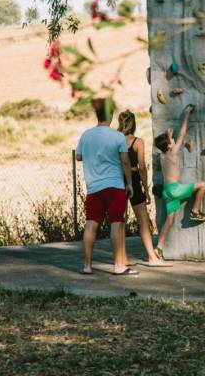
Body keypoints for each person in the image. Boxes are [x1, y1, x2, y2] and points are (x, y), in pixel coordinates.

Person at [76, 98, 138, 276]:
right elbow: (125, 161)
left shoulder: (86, 135)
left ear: (97, 114)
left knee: (90, 224)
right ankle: (119, 266)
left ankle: (87, 266)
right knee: (116, 224)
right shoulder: (117, 136)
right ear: (111, 115)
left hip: (93, 186)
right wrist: (129, 184)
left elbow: (78, 157)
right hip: (114, 186)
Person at [153, 104, 205, 260]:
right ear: (170, 146)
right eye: (171, 141)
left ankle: (159, 247)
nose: (173, 142)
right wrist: (186, 114)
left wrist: (169, 137)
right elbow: (183, 134)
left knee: (170, 220)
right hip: (175, 189)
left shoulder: (164, 156)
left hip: (167, 191)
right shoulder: (173, 153)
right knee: (202, 185)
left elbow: (169, 143)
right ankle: (195, 211)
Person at [117, 111, 170, 267]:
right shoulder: (138, 142)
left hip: (117, 180)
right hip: (132, 180)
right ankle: (152, 258)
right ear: (134, 123)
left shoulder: (115, 140)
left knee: (120, 221)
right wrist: (146, 189)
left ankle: (123, 257)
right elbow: (142, 168)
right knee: (143, 221)